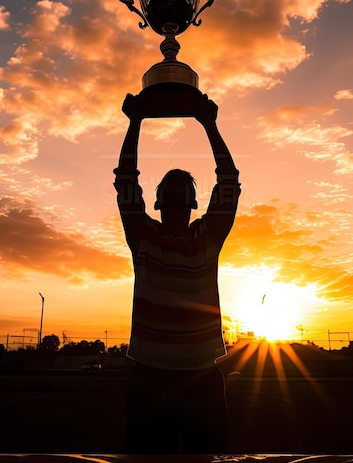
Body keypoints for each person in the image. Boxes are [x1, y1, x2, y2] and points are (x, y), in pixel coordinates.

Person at [114, 91, 241, 454]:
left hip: (201, 377)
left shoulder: (206, 237)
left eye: (181, 186)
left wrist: (210, 124)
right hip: (150, 377)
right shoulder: (144, 235)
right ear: (156, 201)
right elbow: (126, 179)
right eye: (168, 186)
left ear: (191, 201)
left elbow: (229, 180)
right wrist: (134, 121)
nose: (174, 188)